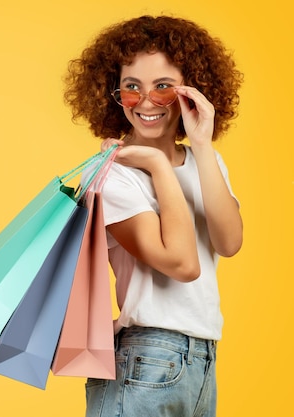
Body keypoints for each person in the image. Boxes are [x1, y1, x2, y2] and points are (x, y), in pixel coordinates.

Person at [65, 15, 244, 417]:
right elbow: (181, 264)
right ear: (114, 94)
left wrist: (200, 143)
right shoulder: (111, 175)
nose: (146, 102)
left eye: (163, 87)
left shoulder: (205, 162)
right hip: (147, 356)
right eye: (132, 88)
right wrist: (158, 167)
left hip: (202, 356)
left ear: (190, 90)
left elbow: (229, 243)